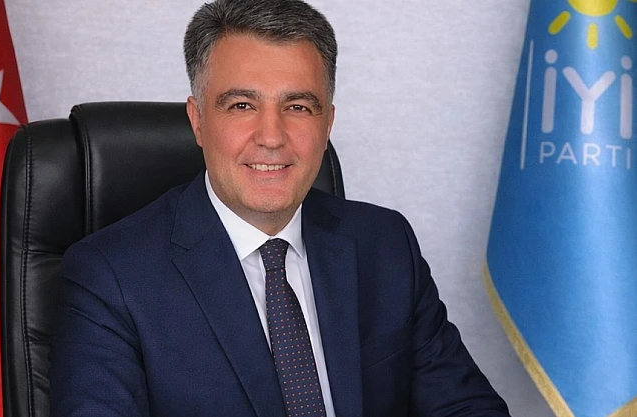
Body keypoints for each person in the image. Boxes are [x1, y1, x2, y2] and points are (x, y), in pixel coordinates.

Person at [49, 0, 511, 416]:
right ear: (197, 120)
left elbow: (467, 407)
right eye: (241, 105)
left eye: (298, 107)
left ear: (328, 124)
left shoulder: (385, 244)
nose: (271, 137)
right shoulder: (110, 276)